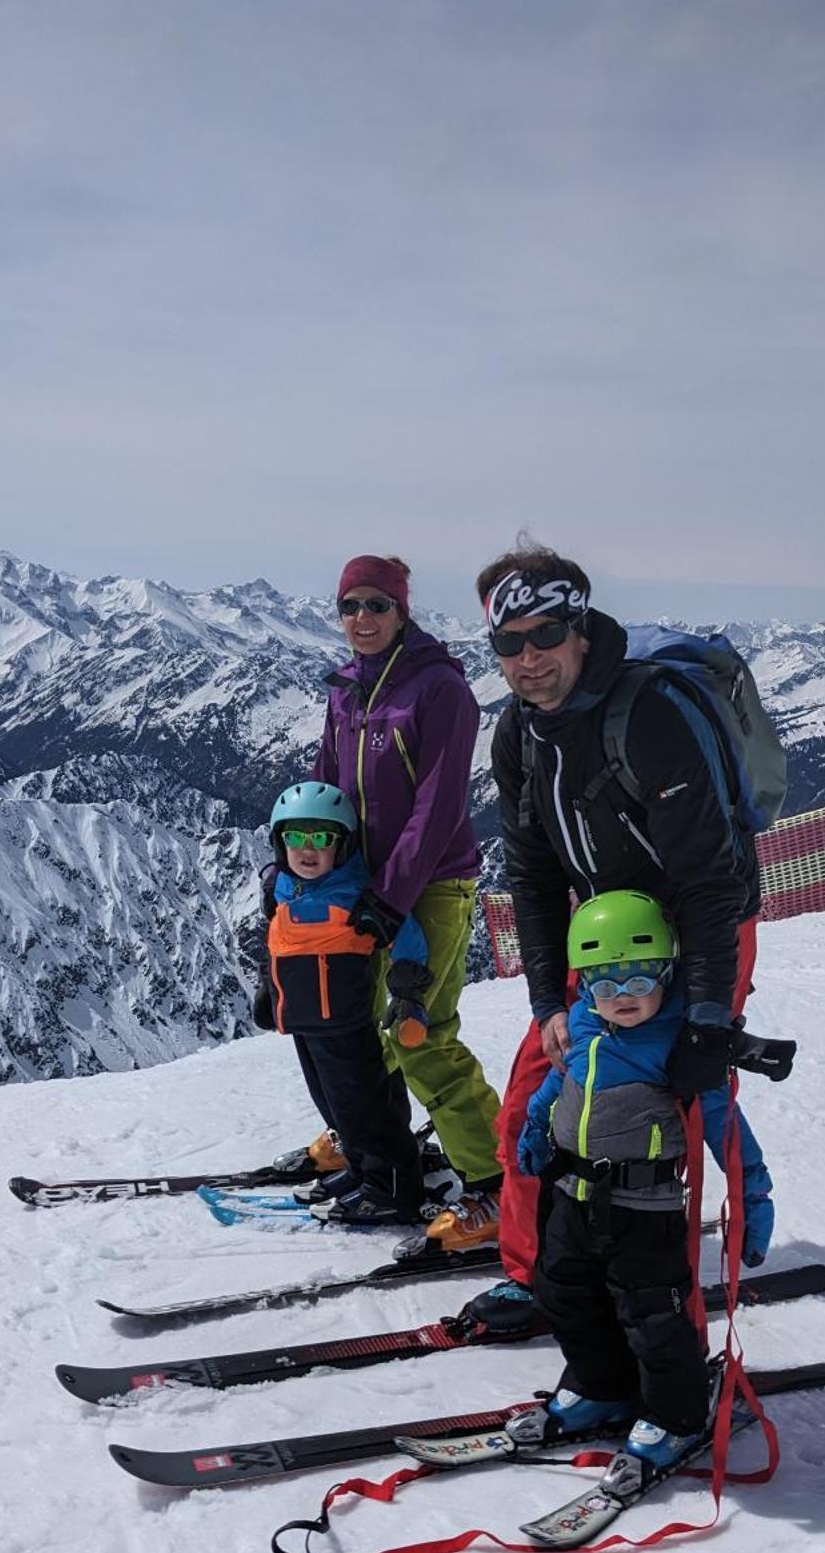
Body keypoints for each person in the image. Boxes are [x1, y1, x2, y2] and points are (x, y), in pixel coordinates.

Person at [470, 539, 776, 1330]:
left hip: (700, 928)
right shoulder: (520, 735)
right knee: (534, 1103)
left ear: (579, 627)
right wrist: (547, 1002)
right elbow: (534, 878)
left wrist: (707, 1016)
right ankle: (540, 1275)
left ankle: (666, 1318)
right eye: (508, 643)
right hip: (605, 941)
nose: (528, 658)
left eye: (543, 635)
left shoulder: (652, 714)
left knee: (666, 1108)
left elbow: (712, 879)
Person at [313, 554, 504, 1253]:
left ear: (402, 610)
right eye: (349, 607)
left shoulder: (440, 691)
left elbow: (440, 803)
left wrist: (393, 894)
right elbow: (327, 788)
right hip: (365, 887)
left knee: (422, 1033)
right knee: (358, 1027)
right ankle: (383, 1152)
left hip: (431, 886)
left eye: (376, 606)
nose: (361, 620)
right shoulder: (345, 692)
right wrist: (312, 875)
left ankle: (497, 1185)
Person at [509, 891, 713, 1483]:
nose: (621, 996)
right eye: (604, 984)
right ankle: (602, 1386)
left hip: (643, 1208)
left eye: (639, 979)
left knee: (650, 1312)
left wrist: (753, 1190)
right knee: (561, 1290)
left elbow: (724, 1120)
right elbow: (563, 1081)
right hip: (577, 1196)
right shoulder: (583, 1027)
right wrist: (537, 1123)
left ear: (668, 974)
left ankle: (676, 1415)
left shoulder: (679, 1044)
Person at [258, 781, 434, 1225]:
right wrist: (269, 991)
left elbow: (407, 938)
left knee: (364, 1108)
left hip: (346, 1023)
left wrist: (408, 994)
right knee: (335, 1107)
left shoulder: (358, 897)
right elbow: (280, 947)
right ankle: (362, 1172)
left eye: (322, 838)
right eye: (295, 838)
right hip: (304, 1024)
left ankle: (392, 1187)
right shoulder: (283, 891)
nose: (307, 849)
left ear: (344, 843)